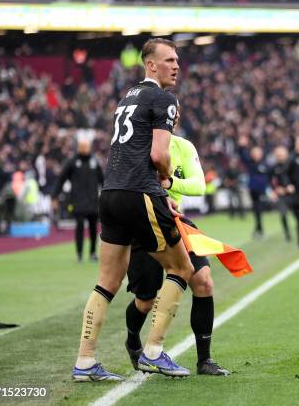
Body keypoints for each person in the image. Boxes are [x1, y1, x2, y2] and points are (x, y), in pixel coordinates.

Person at [72, 38, 194, 381]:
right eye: (169, 60)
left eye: (177, 60)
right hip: (139, 192)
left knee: (107, 282)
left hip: (110, 194)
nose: (176, 66)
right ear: (150, 64)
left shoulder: (126, 98)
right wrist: (166, 180)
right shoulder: (164, 98)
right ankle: (154, 351)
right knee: (182, 269)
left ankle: (84, 361)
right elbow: (158, 154)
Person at [124, 102, 230, 376]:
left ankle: (204, 360)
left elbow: (199, 186)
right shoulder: (138, 146)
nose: (172, 119)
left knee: (204, 282)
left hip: (176, 222)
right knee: (145, 301)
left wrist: (170, 184)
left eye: (175, 115)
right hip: (146, 223)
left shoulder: (184, 147)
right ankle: (133, 337)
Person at [52, 138, 104, 262]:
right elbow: (61, 179)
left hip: (92, 201)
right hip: (78, 200)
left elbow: (103, 181)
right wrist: (54, 196)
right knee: (79, 227)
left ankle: (92, 253)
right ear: (78, 147)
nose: (84, 148)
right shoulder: (72, 162)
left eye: (86, 146)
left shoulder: (94, 162)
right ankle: (79, 254)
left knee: (93, 228)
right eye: (82, 146)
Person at [237, 135, 270, 239]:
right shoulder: (250, 163)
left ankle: (258, 229)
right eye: (255, 153)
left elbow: (268, 176)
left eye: (258, 153)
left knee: (259, 210)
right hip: (253, 190)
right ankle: (259, 230)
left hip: (262, 191)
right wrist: (241, 146)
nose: (256, 155)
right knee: (256, 210)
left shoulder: (265, 163)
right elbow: (242, 154)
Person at [270, 145, 292, 242]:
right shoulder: (274, 168)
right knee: (283, 214)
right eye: (278, 155)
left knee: (298, 213)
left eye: (281, 155)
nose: (280, 157)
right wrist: (275, 190)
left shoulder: (292, 165)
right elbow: (270, 181)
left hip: (293, 193)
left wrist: (292, 187)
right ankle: (287, 234)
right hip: (281, 194)